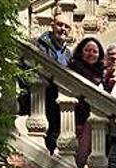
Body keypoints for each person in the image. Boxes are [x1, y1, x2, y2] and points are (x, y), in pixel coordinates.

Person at [67, 36, 104, 168]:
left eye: (95, 51)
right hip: (77, 114)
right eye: (87, 50)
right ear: (80, 51)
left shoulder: (101, 72)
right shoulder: (75, 67)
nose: (91, 54)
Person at [35, 13, 71, 153]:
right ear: (52, 25)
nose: (63, 29)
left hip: (60, 102)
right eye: (60, 25)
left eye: (66, 26)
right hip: (43, 98)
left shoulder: (68, 53)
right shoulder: (40, 45)